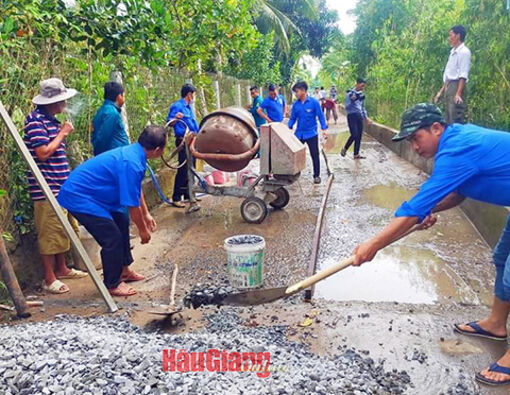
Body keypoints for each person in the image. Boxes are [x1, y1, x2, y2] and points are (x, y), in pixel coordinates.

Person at [351, 103, 510, 387]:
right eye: (409, 141)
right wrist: (427, 211)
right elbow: (459, 193)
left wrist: (372, 245)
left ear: (436, 128)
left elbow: (415, 206)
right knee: (501, 259)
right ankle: (496, 325)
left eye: (416, 138)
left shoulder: (456, 150)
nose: (413, 147)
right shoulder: (455, 141)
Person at [57, 126, 165, 297]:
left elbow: (136, 190)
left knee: (121, 221)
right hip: (79, 197)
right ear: (158, 149)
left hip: (94, 196)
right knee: (112, 238)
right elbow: (132, 205)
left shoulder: (136, 154)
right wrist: (142, 229)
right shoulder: (132, 162)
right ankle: (112, 283)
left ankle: (123, 270)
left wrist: (146, 214)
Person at [24, 78, 88, 295]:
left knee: (64, 228)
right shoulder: (35, 122)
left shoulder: (50, 120)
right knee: (50, 233)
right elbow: (42, 154)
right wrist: (63, 133)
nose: (65, 104)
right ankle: (49, 278)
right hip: (46, 188)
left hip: (61, 186)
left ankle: (62, 268)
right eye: (62, 100)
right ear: (51, 102)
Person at [166, 83, 200, 208]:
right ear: (189, 94)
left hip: (192, 140)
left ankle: (188, 195)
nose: (194, 97)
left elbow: (193, 123)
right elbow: (169, 122)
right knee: (183, 169)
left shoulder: (188, 107)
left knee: (191, 168)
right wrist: (175, 118)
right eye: (194, 94)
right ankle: (176, 197)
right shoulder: (178, 106)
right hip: (182, 141)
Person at [288, 81, 328, 184]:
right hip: (299, 134)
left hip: (311, 134)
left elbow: (321, 116)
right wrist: (288, 127)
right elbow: (293, 118)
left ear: (303, 91)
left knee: (315, 155)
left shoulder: (314, 102)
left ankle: (316, 176)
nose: (295, 94)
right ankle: (293, 174)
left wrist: (324, 129)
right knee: (294, 154)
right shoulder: (295, 105)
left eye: (296, 91)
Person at [434, 25, 471, 124]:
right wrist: (441, 92)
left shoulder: (464, 52)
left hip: (456, 86)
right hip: (449, 86)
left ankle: (457, 139)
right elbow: (448, 75)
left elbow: (463, 74)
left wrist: (458, 93)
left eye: (451, 35)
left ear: (458, 36)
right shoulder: (452, 52)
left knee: (455, 118)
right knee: (448, 118)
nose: (449, 39)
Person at [91, 81, 129, 156]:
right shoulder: (112, 113)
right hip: (113, 158)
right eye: (123, 96)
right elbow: (103, 138)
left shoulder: (103, 110)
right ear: (119, 97)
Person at [341, 78, 372, 159]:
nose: (363, 87)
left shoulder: (361, 95)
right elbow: (347, 107)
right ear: (357, 84)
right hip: (351, 115)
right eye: (362, 85)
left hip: (359, 115)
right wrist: (352, 100)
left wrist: (366, 117)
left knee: (359, 135)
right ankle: (345, 148)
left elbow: (363, 107)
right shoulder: (350, 94)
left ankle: (356, 154)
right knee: (354, 134)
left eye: (364, 86)